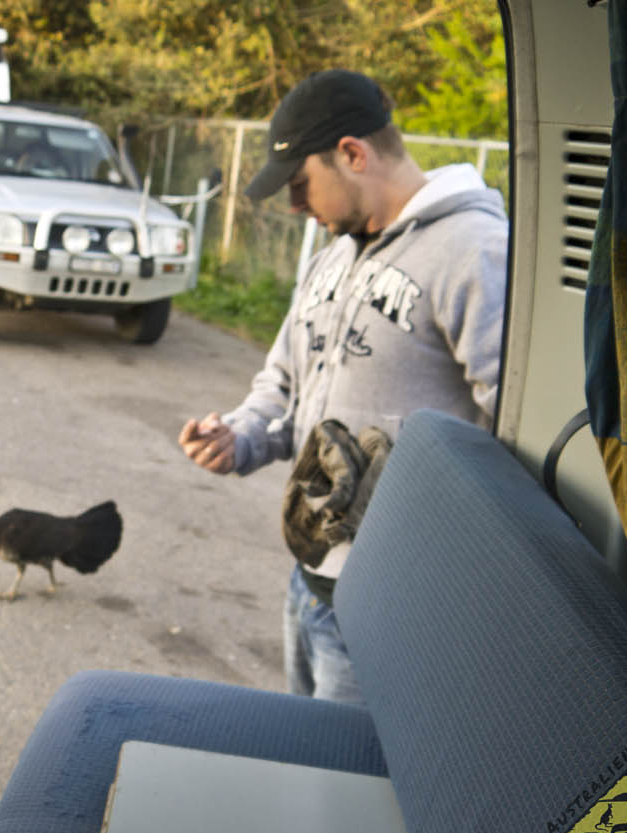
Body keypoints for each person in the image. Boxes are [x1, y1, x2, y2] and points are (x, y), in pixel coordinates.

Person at [179, 68, 507, 704]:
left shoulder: (477, 250)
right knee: (307, 767)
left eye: (301, 184)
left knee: (344, 788)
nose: (296, 206)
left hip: (395, 609)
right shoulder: (332, 255)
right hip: (309, 582)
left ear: (352, 154)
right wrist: (239, 435)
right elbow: (283, 381)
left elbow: (516, 435)